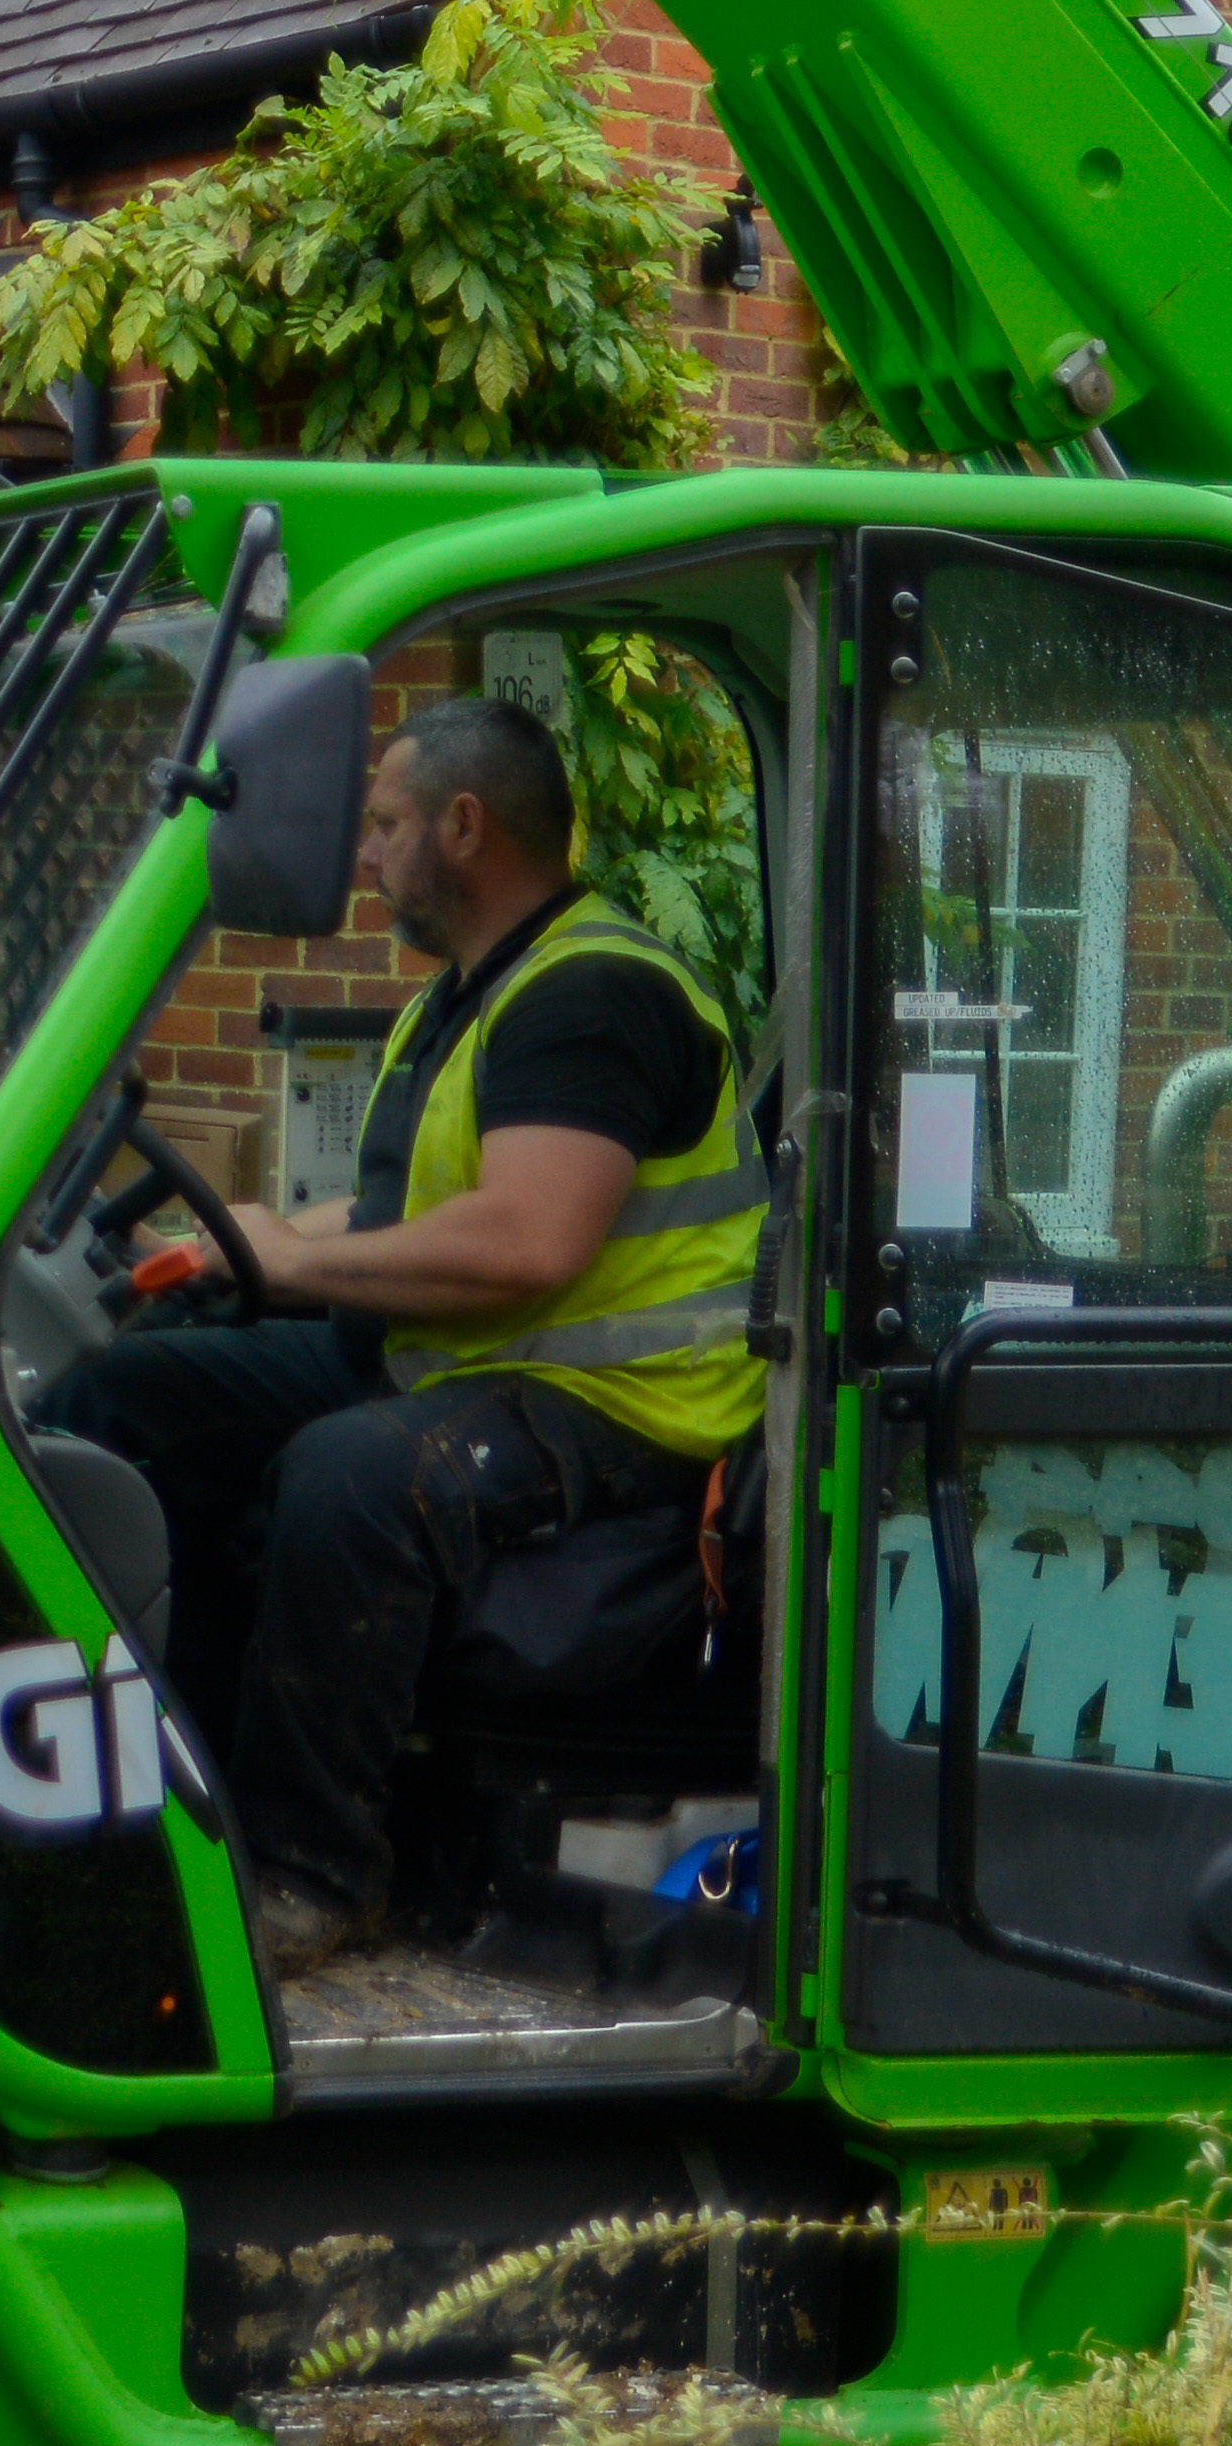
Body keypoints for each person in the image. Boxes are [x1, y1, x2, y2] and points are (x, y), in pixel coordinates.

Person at [40, 688, 759, 1978]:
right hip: (474, 1359)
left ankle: (316, 1874)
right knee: (128, 1399)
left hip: (621, 1404)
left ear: (465, 827)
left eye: (382, 825)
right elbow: (410, 1210)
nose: (362, 854)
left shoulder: (591, 998)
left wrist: (302, 1268)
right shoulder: (472, 993)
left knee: (351, 1476)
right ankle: (160, 1784)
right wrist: (265, 1237)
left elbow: (524, 1243)